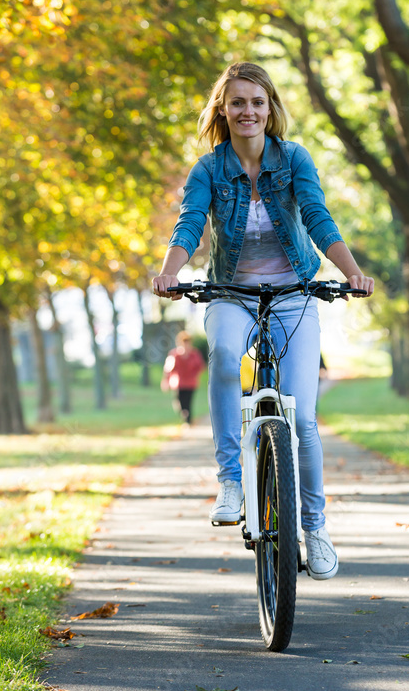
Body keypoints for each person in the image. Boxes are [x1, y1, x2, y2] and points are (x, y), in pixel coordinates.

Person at [153, 62, 373, 579]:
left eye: (257, 102)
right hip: (231, 292)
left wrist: (353, 273)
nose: (248, 111)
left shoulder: (294, 159)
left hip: (295, 294)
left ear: (270, 108)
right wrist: (168, 272)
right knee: (226, 358)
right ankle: (231, 478)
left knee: (303, 420)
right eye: (237, 102)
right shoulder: (209, 169)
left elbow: (317, 216)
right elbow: (190, 223)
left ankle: (315, 528)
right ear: (223, 111)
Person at [161, 330, 205, 425]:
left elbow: (200, 367)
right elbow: (168, 369)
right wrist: (165, 381)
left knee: (188, 403)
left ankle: (188, 421)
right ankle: (185, 417)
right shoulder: (174, 354)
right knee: (179, 404)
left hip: (190, 383)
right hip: (178, 383)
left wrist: (194, 374)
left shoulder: (194, 354)